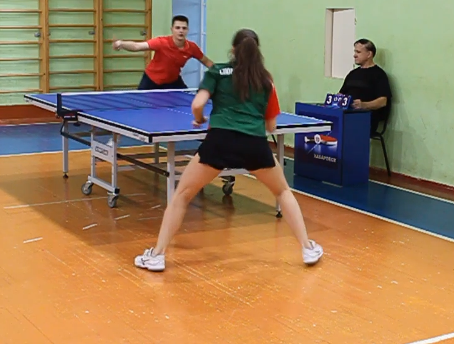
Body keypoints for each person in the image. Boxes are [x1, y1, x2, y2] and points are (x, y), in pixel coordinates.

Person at [134, 28, 324, 272]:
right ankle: (307, 248)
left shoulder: (217, 72)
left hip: (220, 140)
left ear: (233, 50)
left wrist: (200, 119)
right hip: (254, 143)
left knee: (182, 195)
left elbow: (198, 104)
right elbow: (271, 126)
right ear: (257, 51)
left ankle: (157, 255)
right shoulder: (265, 79)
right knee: (282, 191)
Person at [113, 15, 214, 90]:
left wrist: (221, 72)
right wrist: (121, 43)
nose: (181, 31)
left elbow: (207, 62)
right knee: (141, 105)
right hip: (151, 80)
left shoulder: (192, 47)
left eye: (184, 28)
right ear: (172, 29)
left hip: (172, 81)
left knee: (187, 101)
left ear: (188, 30)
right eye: (177, 28)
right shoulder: (161, 42)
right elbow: (137, 46)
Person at [339, 38, 393, 135]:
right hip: (347, 114)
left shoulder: (379, 74)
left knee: (344, 130)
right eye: (355, 51)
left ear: (369, 54)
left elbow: (382, 102)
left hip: (366, 117)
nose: (354, 55)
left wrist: (363, 105)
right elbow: (341, 93)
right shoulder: (352, 73)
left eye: (358, 52)